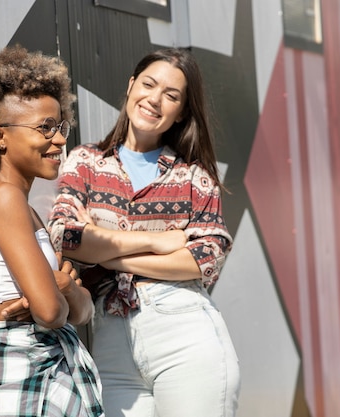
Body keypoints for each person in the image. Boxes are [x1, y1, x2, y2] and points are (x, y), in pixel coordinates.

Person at [47, 47, 241, 417]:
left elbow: (207, 256)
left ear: (182, 110)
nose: (154, 99)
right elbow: (65, 235)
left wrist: (110, 254)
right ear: (131, 85)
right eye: (148, 85)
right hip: (110, 338)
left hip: (184, 329)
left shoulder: (193, 177)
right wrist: (158, 241)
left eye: (171, 95)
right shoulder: (86, 162)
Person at [0, 45, 104, 417]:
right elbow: (52, 313)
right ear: (0, 136)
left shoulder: (29, 211)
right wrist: (57, 295)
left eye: (60, 126)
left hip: (36, 381)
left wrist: (63, 288)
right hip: (16, 385)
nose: (60, 139)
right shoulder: (0, 198)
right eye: (44, 128)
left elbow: (80, 312)